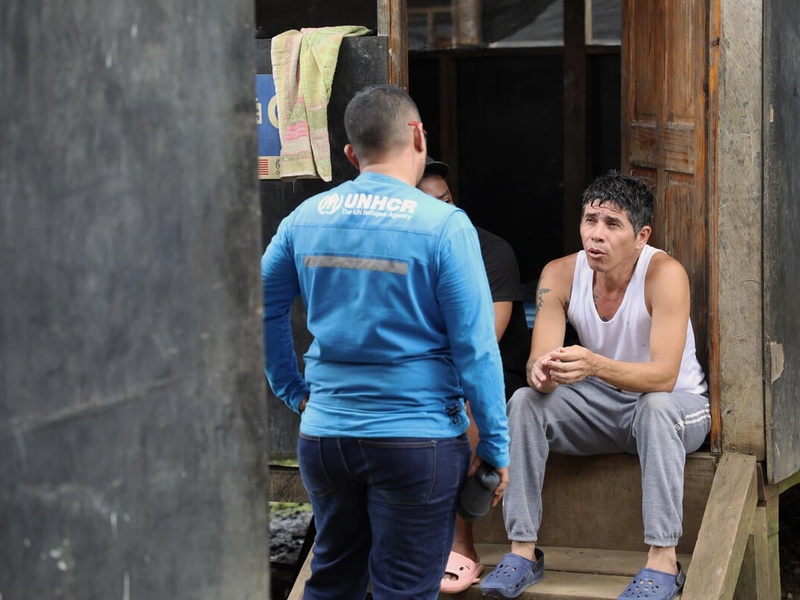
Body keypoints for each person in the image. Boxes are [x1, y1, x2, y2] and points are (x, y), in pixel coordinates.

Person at [261, 83, 510, 600]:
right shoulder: (444, 226)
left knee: (332, 581)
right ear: (418, 135)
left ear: (352, 154)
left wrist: (294, 391)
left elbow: (258, 309)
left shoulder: (302, 220)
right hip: (417, 441)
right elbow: (476, 346)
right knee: (404, 590)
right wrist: (493, 444)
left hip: (326, 435)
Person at [480, 171, 710, 600]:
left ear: (641, 235)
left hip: (678, 407)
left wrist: (592, 365)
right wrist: (543, 372)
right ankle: (522, 552)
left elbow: (663, 376)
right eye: (590, 220)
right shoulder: (559, 274)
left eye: (612, 224)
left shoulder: (665, 274)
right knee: (526, 402)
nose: (596, 235)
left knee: (656, 407)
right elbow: (537, 362)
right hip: (605, 407)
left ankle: (662, 561)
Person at [418, 157, 530, 594]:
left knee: (464, 404)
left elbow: (484, 342)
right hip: (429, 372)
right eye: (431, 204)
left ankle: (462, 543)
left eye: (448, 200)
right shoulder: (402, 251)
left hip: (494, 372)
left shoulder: (490, 251)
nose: (446, 212)